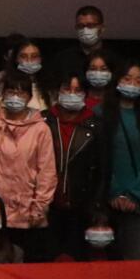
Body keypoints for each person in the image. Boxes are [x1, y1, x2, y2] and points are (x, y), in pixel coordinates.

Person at [98, 59, 140, 260]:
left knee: (130, 259)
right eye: (127, 79)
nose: (132, 84)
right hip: (104, 200)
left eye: (138, 80)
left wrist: (132, 196)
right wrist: (114, 192)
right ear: (117, 81)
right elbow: (96, 158)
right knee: (100, 259)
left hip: (136, 203)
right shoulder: (100, 114)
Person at [0, 73, 56, 261]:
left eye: (21, 92)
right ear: (2, 95)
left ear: (29, 97)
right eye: (11, 91)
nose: (15, 97)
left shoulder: (41, 129)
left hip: (29, 212)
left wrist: (40, 206)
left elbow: (47, 171)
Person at [44, 73, 107, 257]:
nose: (71, 94)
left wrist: (97, 206)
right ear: (58, 91)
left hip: (82, 207)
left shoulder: (96, 126)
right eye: (67, 89)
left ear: (85, 94)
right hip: (47, 206)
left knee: (77, 261)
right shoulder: (44, 121)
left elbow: (103, 170)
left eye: (77, 90)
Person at [53, 5, 121, 81]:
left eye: (90, 25)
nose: (85, 30)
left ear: (102, 28)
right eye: (80, 26)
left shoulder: (115, 58)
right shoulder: (63, 58)